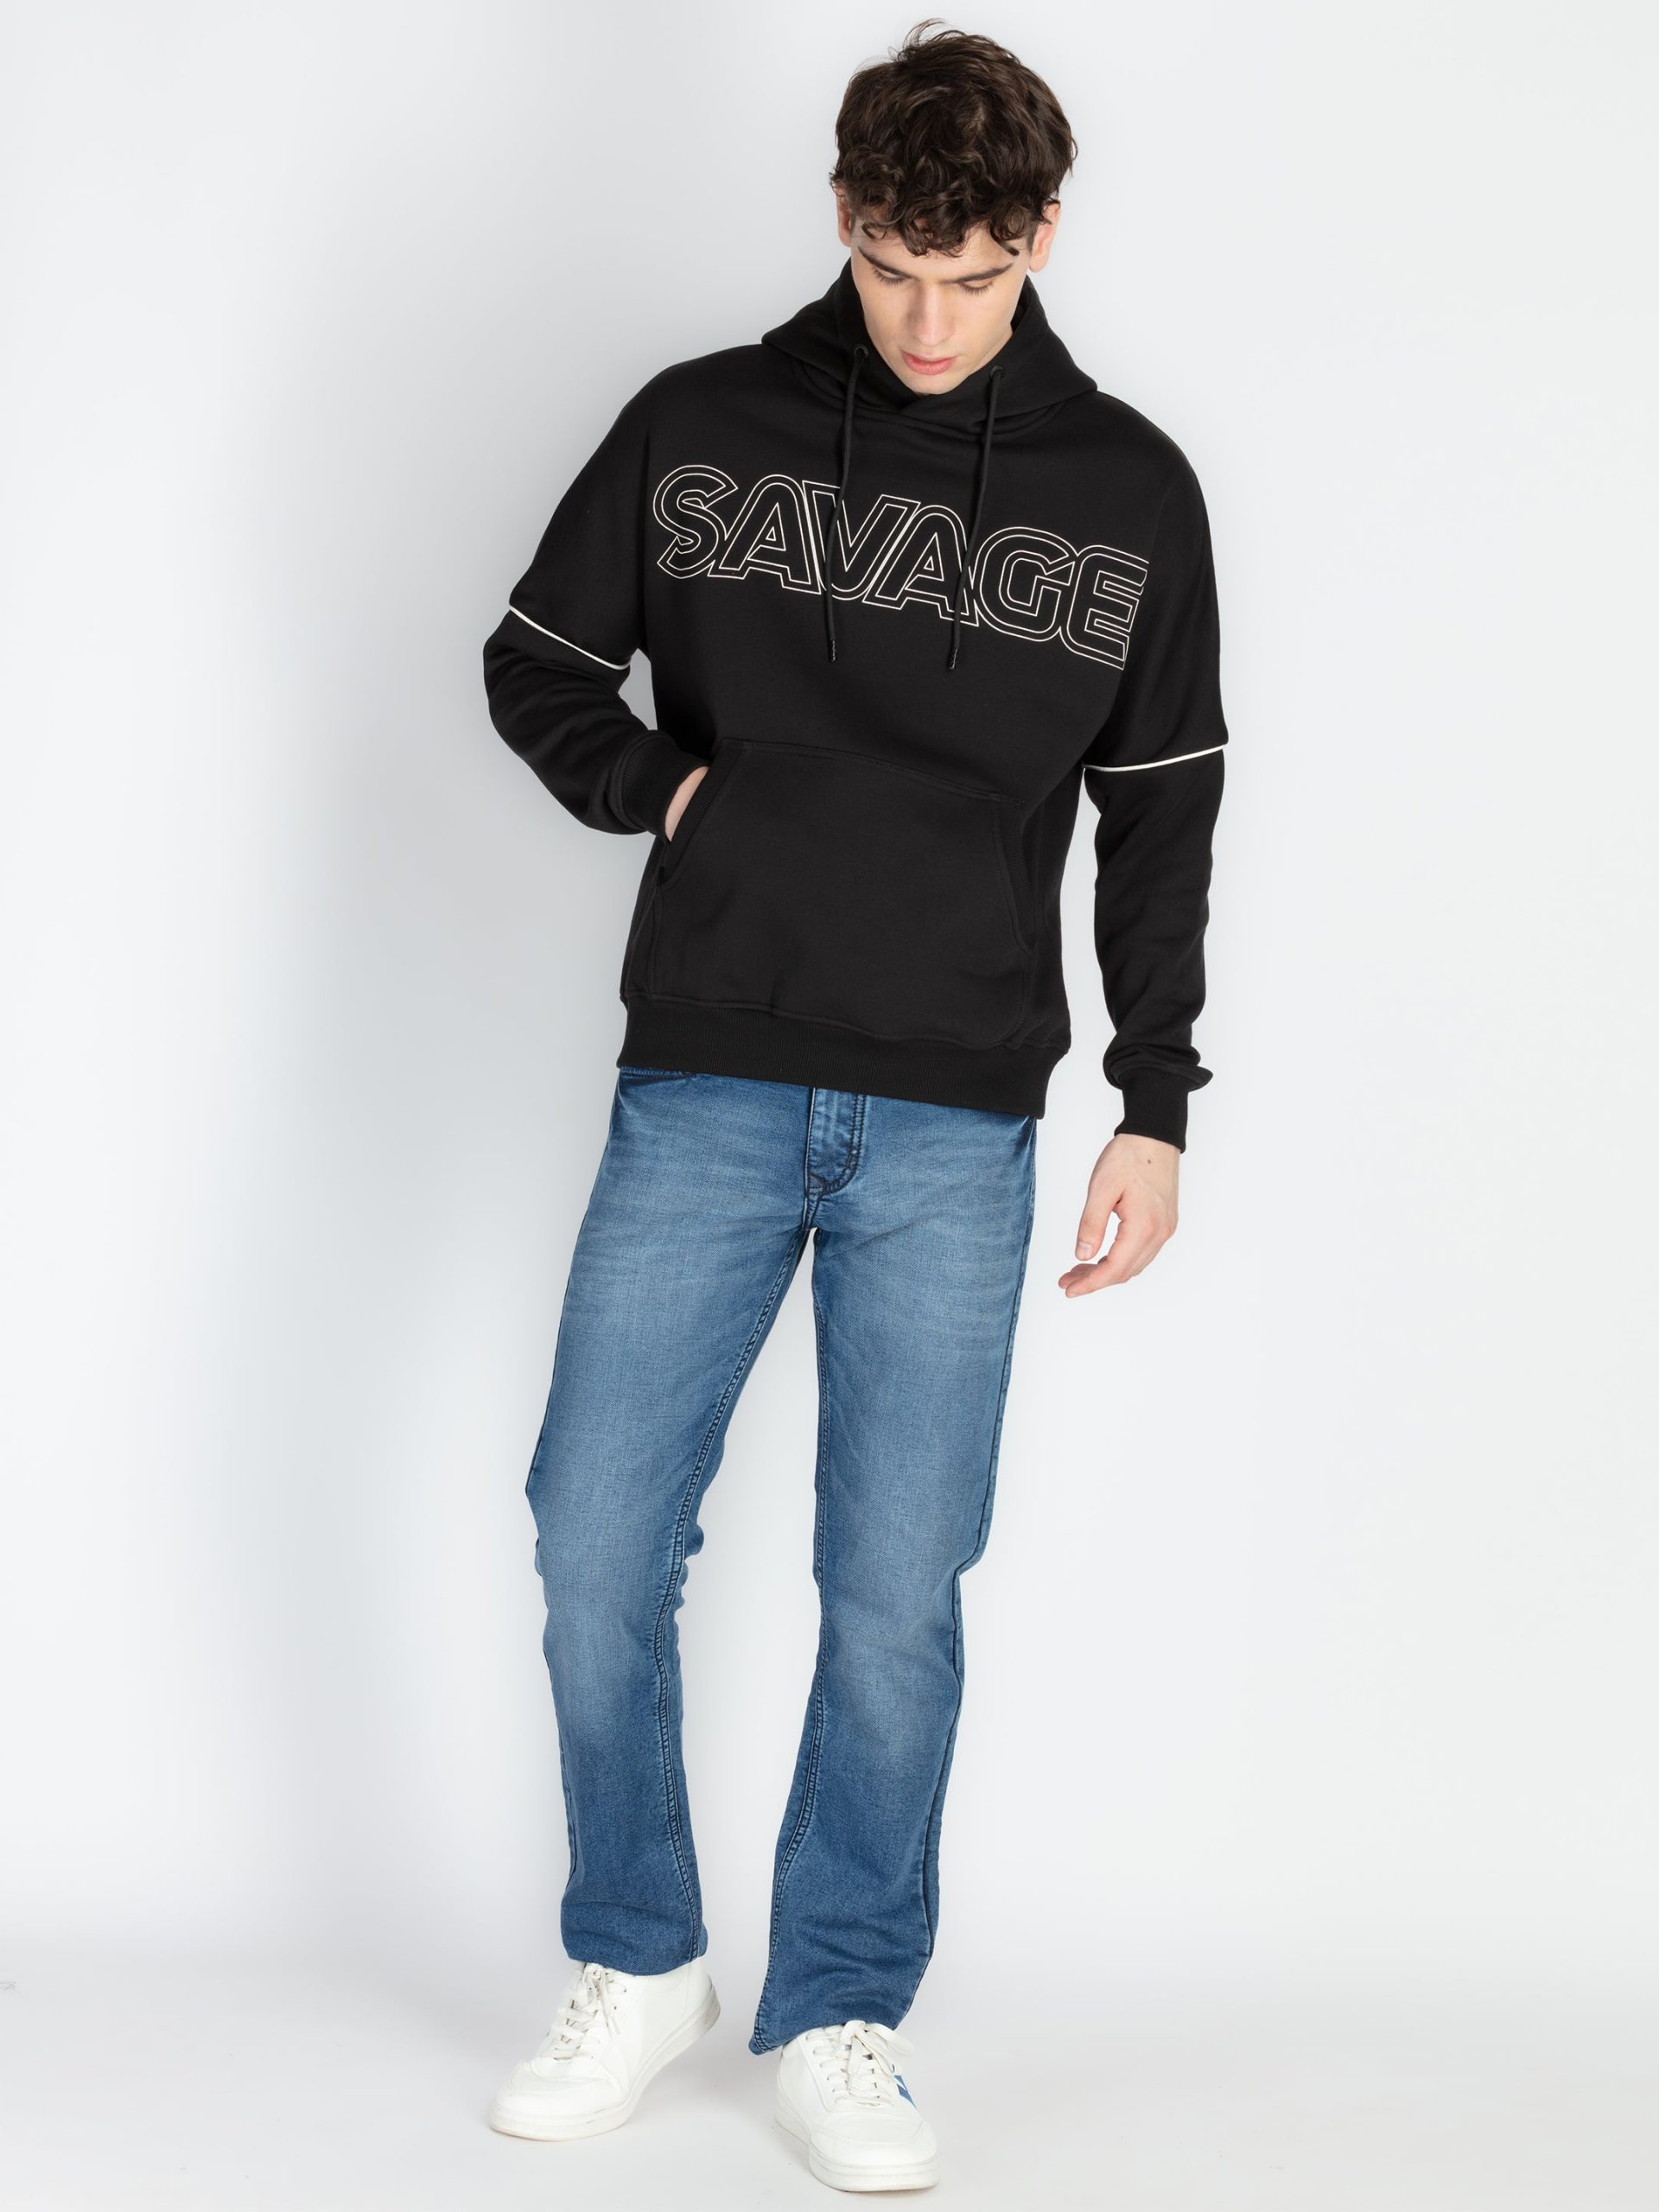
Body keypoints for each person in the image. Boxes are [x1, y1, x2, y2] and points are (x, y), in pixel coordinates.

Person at [478, 20, 1227, 2194]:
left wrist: (1156, 1097)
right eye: (895, 263)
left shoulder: (1130, 490)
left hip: (959, 1117)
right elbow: (537, 659)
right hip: (707, 1071)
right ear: (843, 213)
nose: (926, 318)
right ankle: (638, 1954)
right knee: (593, 1529)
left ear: (1042, 238)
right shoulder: (699, 425)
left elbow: (1164, 813)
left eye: (971, 276)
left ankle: (837, 2003)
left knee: (896, 1588)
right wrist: (669, 792)